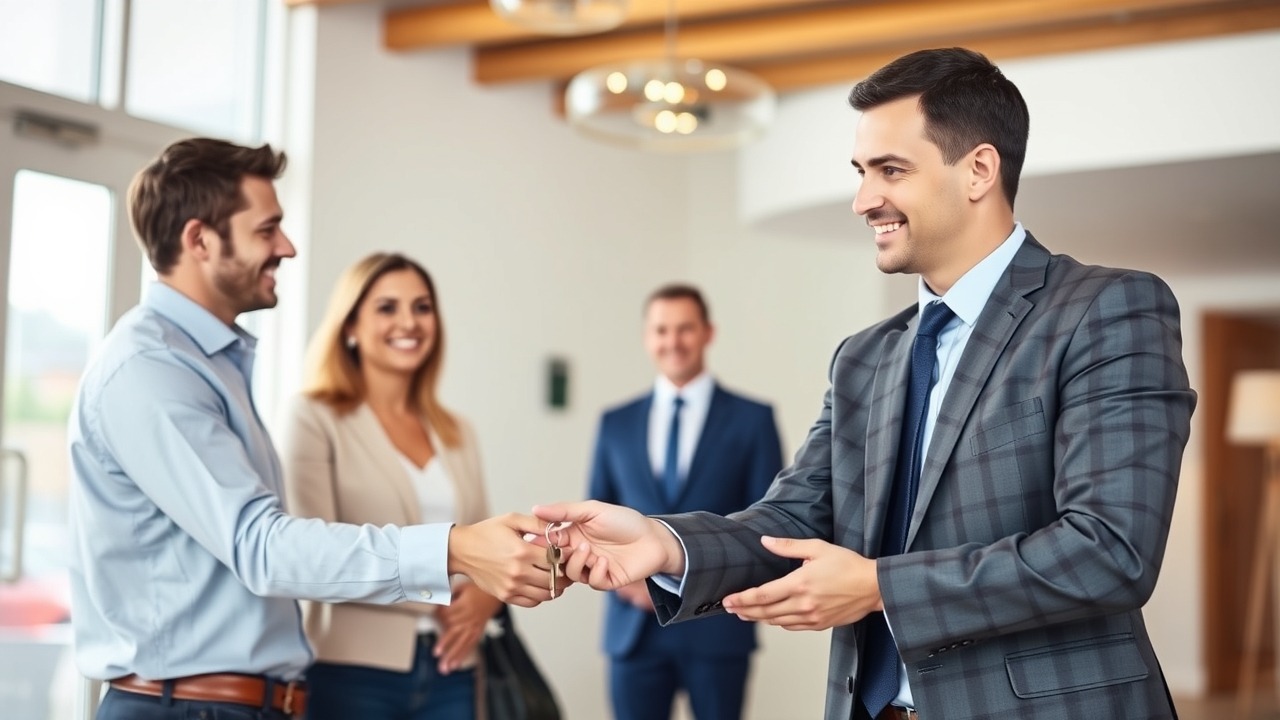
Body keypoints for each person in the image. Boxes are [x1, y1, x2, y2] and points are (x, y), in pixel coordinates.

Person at [536, 47, 1197, 720]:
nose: (862, 201)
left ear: (979, 170)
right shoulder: (863, 358)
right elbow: (791, 520)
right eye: (861, 172)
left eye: (891, 170)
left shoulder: (1106, 310)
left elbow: (1109, 550)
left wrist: (881, 585)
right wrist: (664, 543)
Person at [67, 138, 556, 720]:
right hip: (190, 707)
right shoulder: (150, 370)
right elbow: (265, 547)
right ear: (199, 240)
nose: (288, 247)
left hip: (240, 703)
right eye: (267, 229)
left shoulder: (212, 366)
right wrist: (453, 549)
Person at [279, 252, 502, 720]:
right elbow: (313, 556)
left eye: (422, 307)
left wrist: (486, 598)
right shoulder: (313, 418)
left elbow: (488, 543)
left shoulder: (456, 432)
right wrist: (436, 591)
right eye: (387, 307)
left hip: (454, 667)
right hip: (352, 670)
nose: (409, 322)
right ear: (350, 325)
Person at [587, 284, 783, 720]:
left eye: (685, 329)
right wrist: (631, 584)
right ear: (647, 337)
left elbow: (769, 524)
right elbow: (594, 521)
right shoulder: (615, 423)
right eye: (661, 330)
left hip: (717, 626)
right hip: (633, 629)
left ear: (707, 333)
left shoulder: (753, 420)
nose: (673, 341)